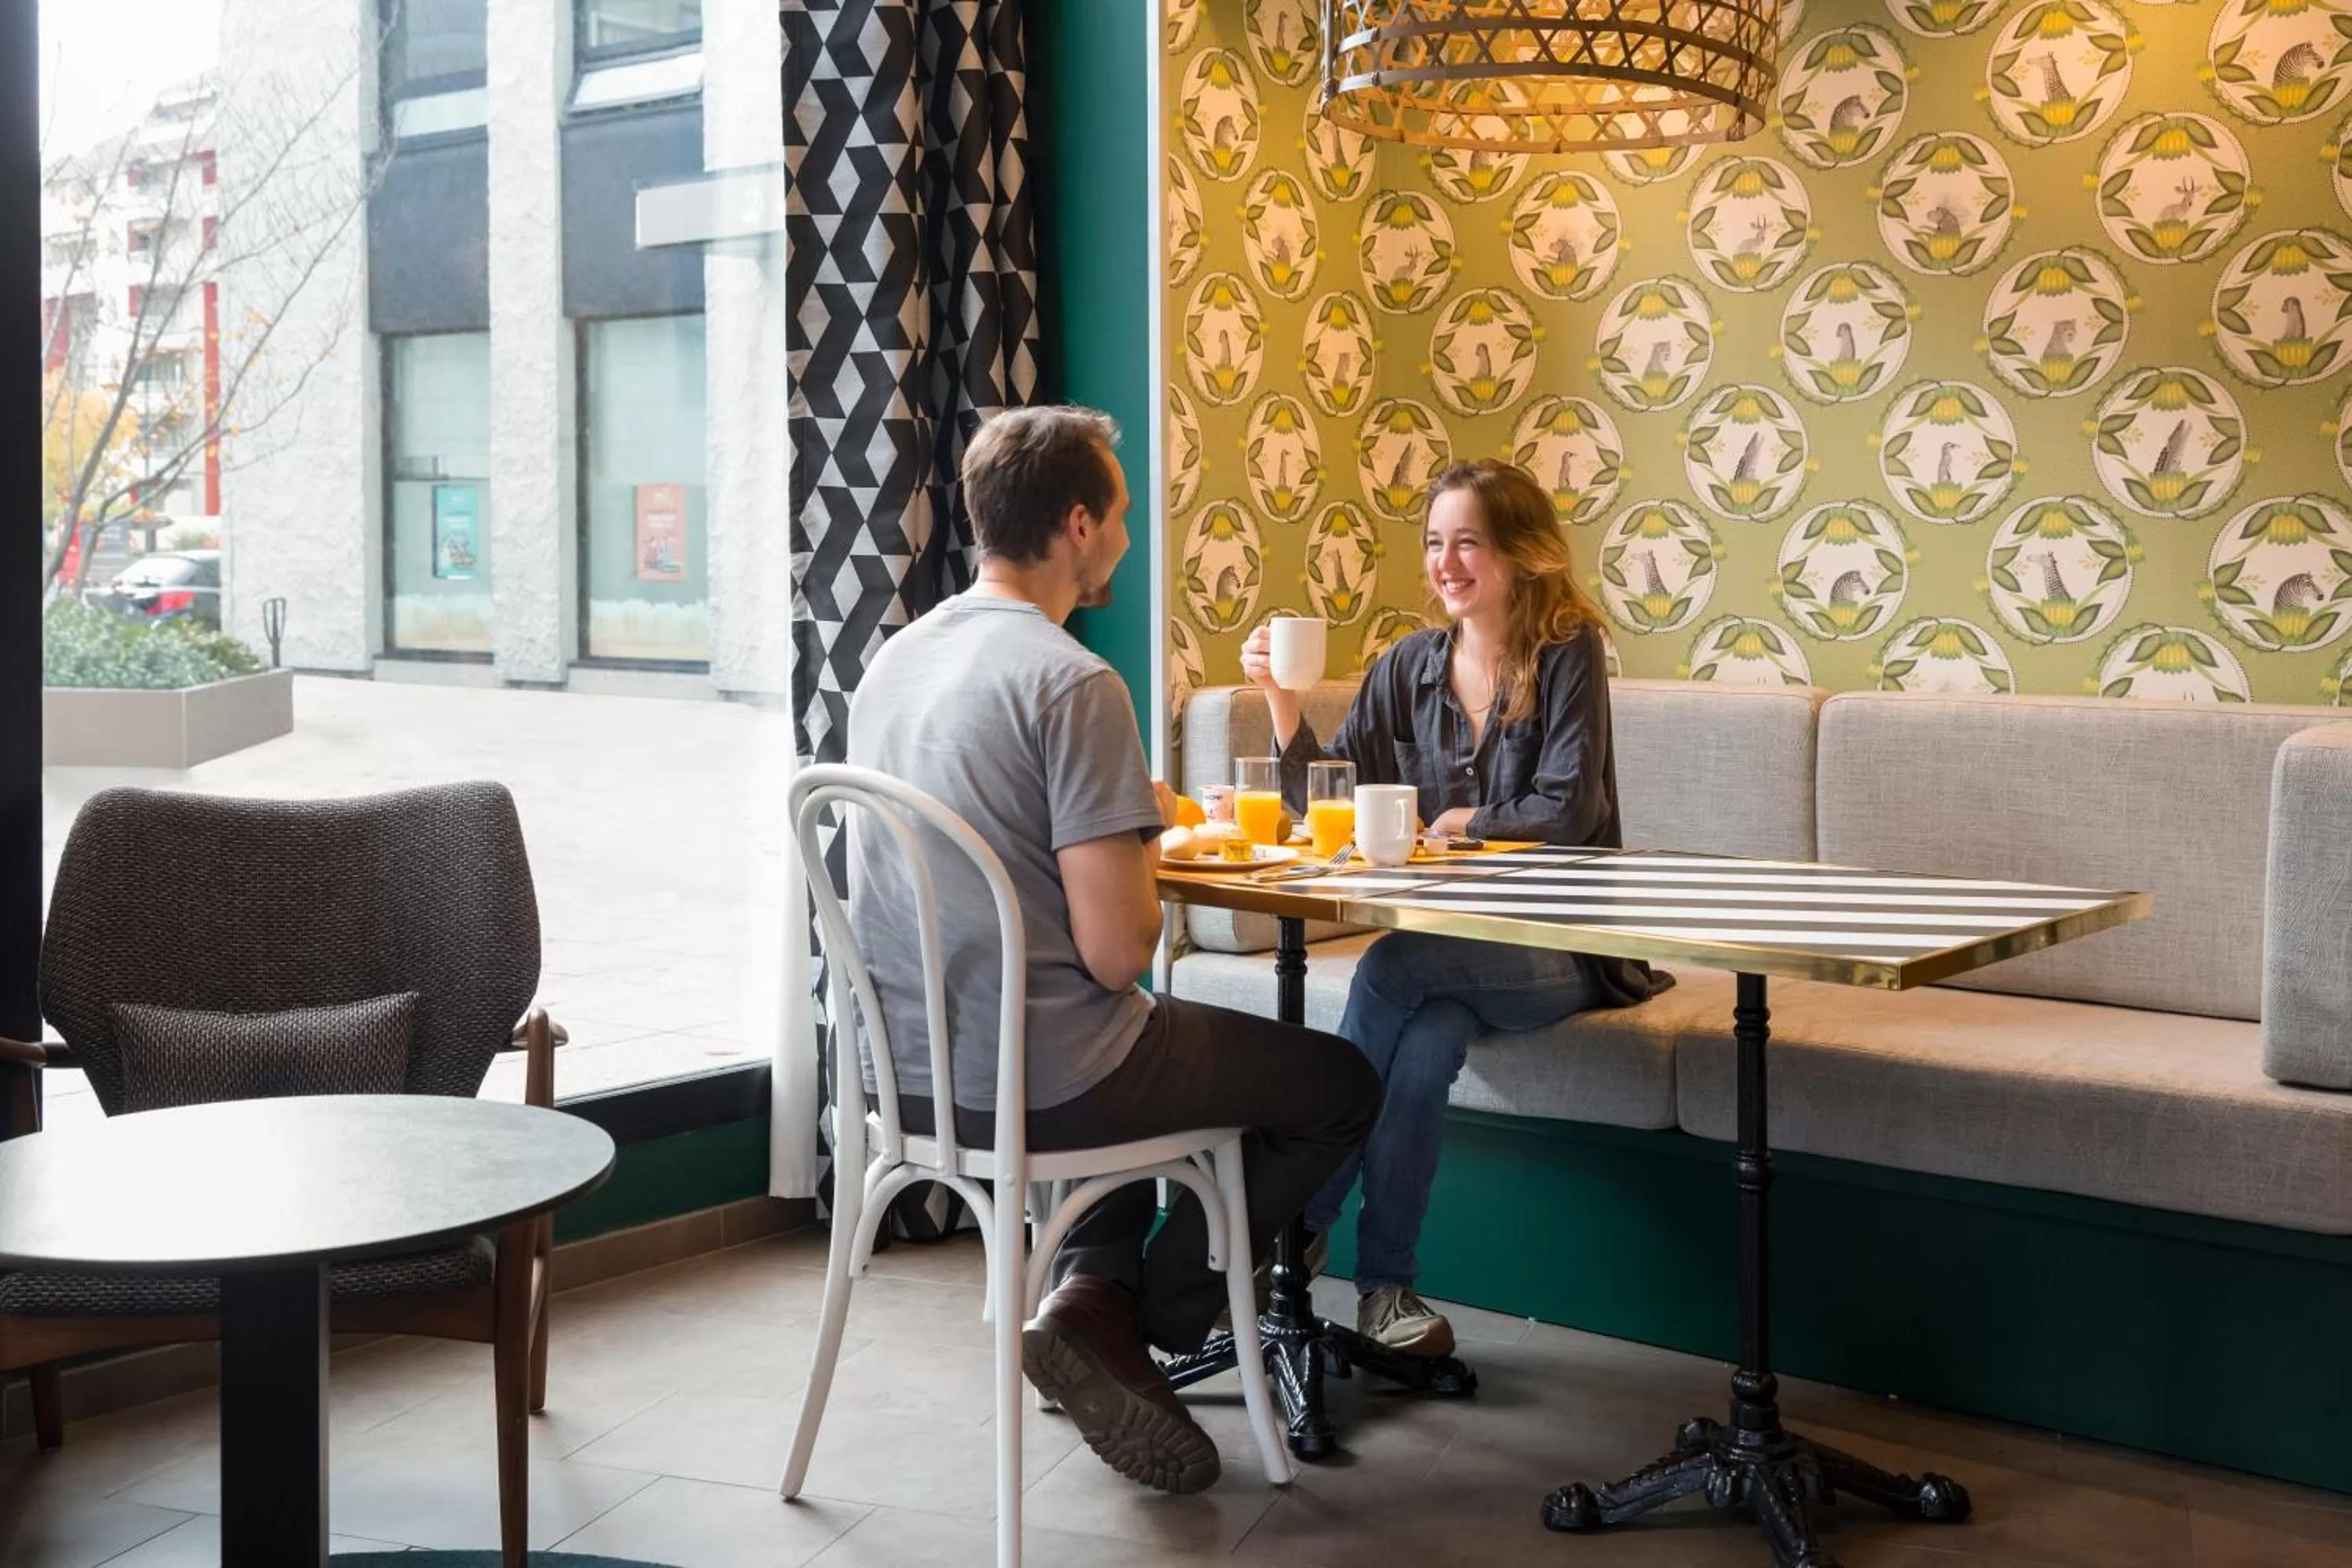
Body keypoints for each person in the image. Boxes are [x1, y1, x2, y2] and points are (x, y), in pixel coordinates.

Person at [846, 405, 1380, 1496]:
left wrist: (1122, 813)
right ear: (1079, 525)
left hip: (910, 1079)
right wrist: (1134, 845)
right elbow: (1118, 951)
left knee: (1141, 1062)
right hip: (1049, 1077)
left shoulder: (896, 661)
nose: (1129, 538)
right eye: (1124, 516)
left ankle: (1089, 1303)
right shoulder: (1073, 680)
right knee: (1335, 1083)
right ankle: (1149, 1308)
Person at [1241, 458, 1668, 1360]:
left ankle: (1287, 1224)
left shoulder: (1567, 651)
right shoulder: (1408, 665)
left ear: (1519, 553)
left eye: (1468, 540)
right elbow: (1332, 801)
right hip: (1453, 953)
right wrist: (1283, 704)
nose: (1446, 561)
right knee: (1426, 1031)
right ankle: (1387, 1290)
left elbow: (1570, 811)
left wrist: (1464, 822)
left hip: (1562, 944)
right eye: (1436, 542)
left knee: (1393, 966)